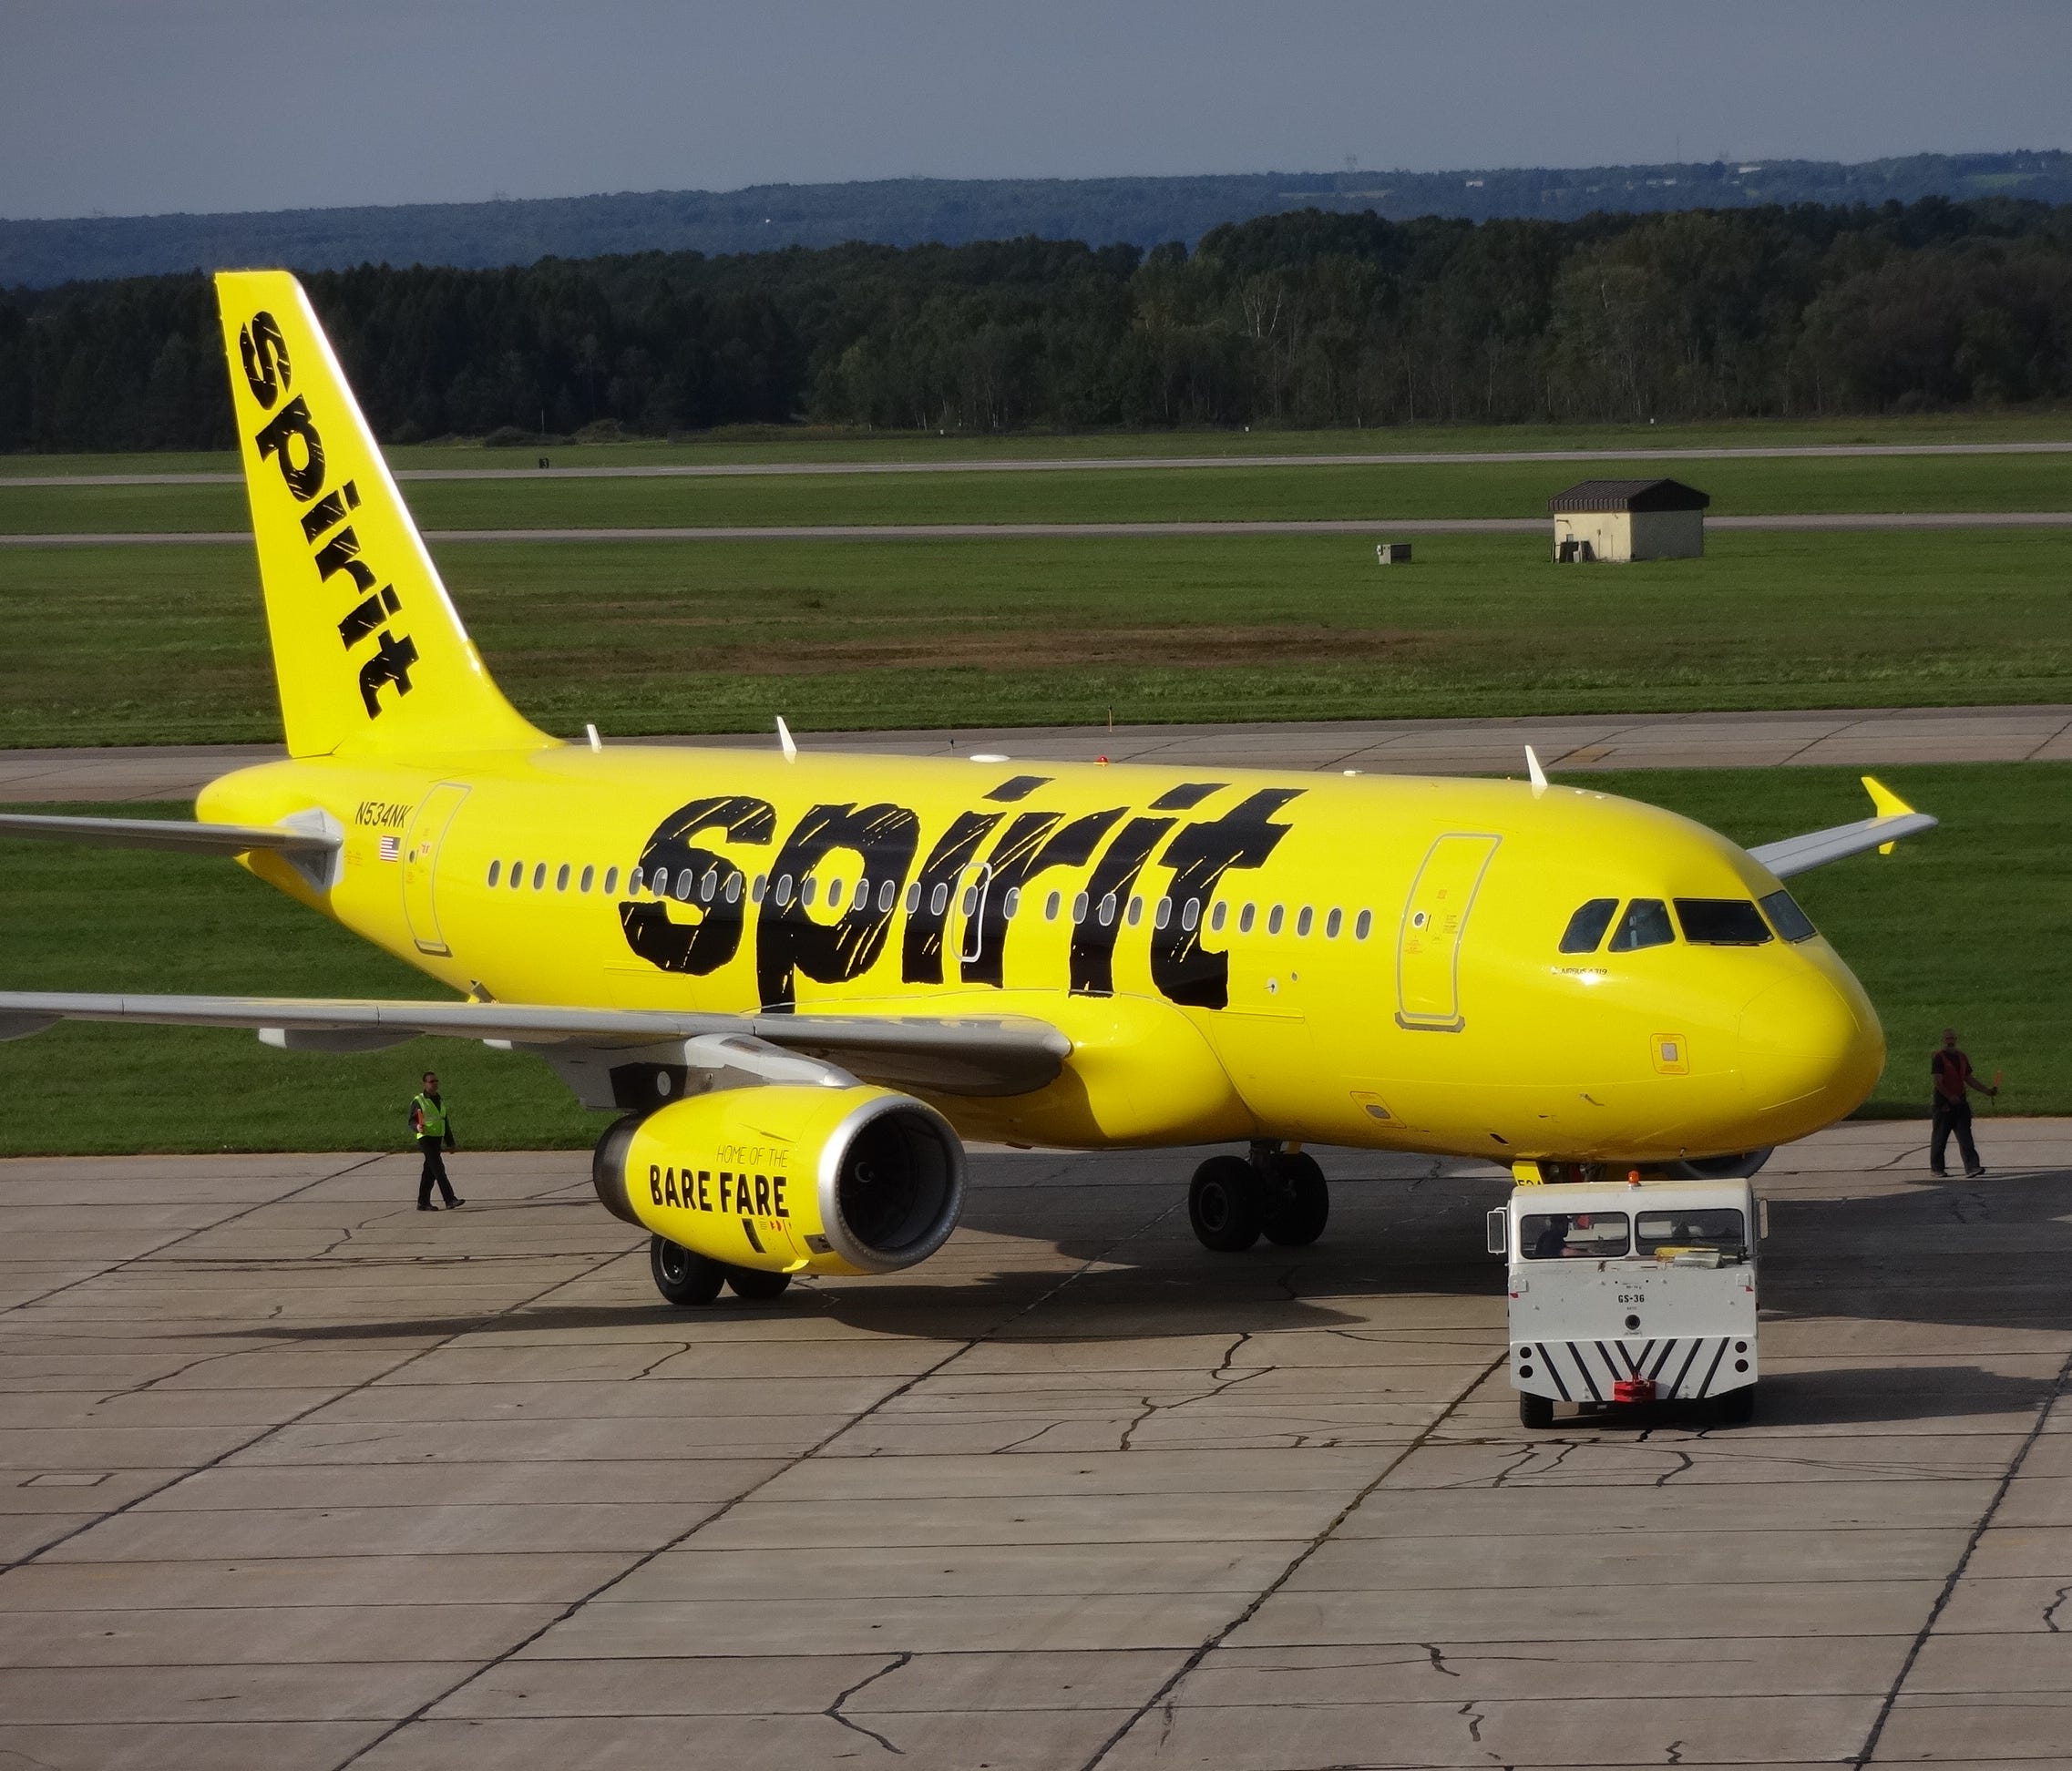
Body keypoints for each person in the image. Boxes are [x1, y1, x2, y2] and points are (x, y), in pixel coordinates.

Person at [1930, 1029, 1996, 1180]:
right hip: (1943, 1105)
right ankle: (1937, 1168)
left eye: (1952, 1037)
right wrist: (1949, 1096)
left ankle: (1972, 1167)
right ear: (1943, 1040)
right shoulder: (1939, 1058)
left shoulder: (1961, 1057)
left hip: (1960, 1103)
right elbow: (1938, 1082)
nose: (1950, 1040)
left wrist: (1986, 1091)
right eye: (1947, 1038)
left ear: (1956, 1039)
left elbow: (1968, 1078)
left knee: (1965, 1135)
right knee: (1940, 1137)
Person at [411, 1070, 464, 1210]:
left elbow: (444, 1122)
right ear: (425, 1084)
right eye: (431, 1081)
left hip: (437, 1139)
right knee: (439, 1169)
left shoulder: (439, 1100)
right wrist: (417, 1127)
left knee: (429, 1171)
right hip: (426, 1138)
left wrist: (450, 1142)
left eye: (436, 1081)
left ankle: (423, 1202)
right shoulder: (419, 1101)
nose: (434, 1084)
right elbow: (412, 1120)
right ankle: (450, 1199)